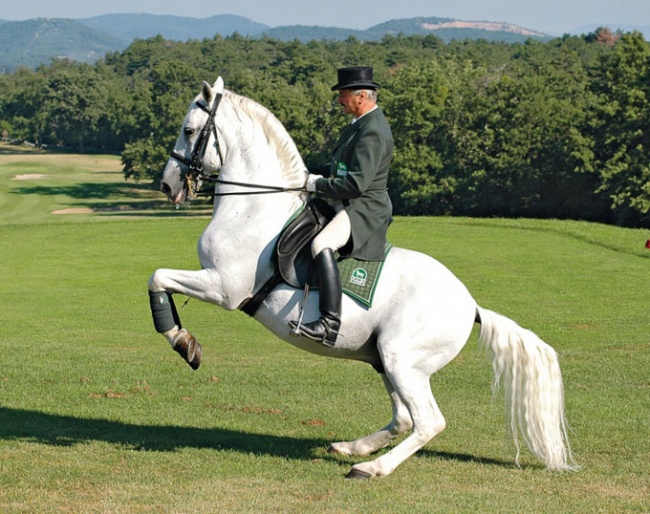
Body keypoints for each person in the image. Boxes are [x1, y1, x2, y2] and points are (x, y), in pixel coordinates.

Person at [289, 66, 394, 348]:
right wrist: (303, 174)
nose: (339, 101)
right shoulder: (359, 124)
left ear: (361, 96)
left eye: (343, 95)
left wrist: (316, 185)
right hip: (347, 200)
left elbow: (356, 184)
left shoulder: (372, 130)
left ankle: (328, 323)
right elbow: (340, 169)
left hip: (363, 208)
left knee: (320, 244)